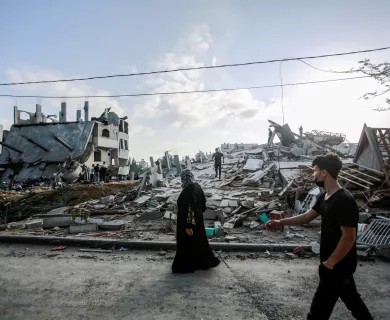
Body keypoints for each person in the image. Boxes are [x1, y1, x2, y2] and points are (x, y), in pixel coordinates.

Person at [266, 154, 373, 320]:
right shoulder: (324, 197)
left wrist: (330, 263)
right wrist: (281, 222)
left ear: (324, 173)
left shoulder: (344, 200)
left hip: (338, 265)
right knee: (354, 302)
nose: (313, 174)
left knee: (318, 311)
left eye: (315, 171)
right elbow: (307, 217)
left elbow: (349, 238)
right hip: (334, 263)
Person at [172, 169, 220, 274]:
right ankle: (203, 262)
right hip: (198, 221)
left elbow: (190, 209)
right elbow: (203, 203)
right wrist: (198, 215)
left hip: (188, 223)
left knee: (187, 244)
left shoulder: (188, 191)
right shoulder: (197, 186)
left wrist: (189, 226)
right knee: (199, 242)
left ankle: (186, 266)